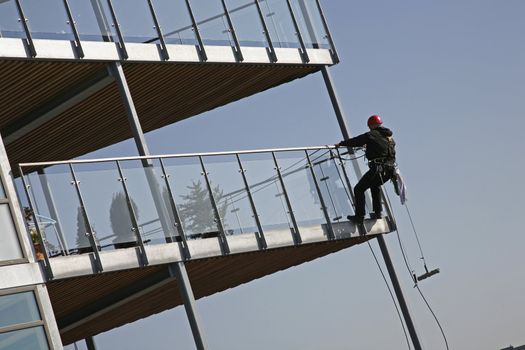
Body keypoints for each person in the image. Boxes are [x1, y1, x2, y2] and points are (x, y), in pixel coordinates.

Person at [336, 115, 396, 225]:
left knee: (359, 189)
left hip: (377, 168)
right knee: (375, 185)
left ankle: (360, 216)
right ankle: (378, 213)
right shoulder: (389, 138)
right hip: (389, 171)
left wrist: (342, 143)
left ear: (372, 126)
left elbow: (357, 141)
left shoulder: (371, 135)